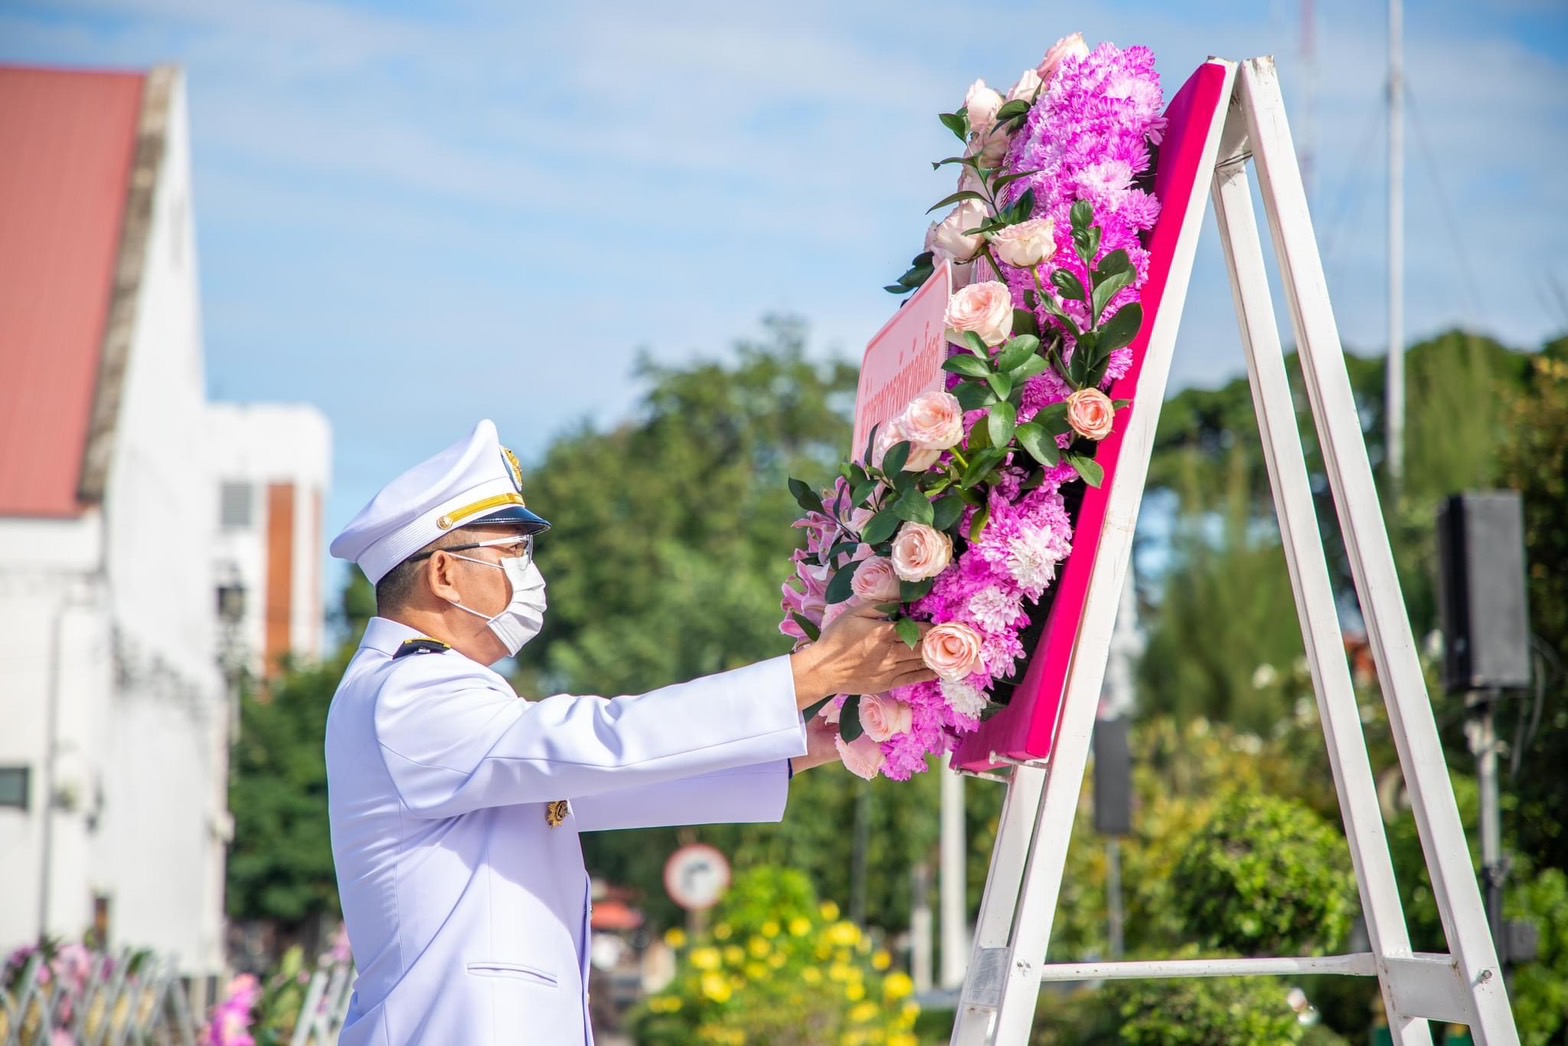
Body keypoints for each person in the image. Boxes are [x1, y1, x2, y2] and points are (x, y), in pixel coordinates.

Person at [324, 419, 932, 1045]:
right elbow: (605, 740)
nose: (531, 576)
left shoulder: (427, 695)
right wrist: (811, 673)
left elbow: (603, 786)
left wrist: (811, 742)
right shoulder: (410, 693)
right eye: (513, 552)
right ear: (445, 574)